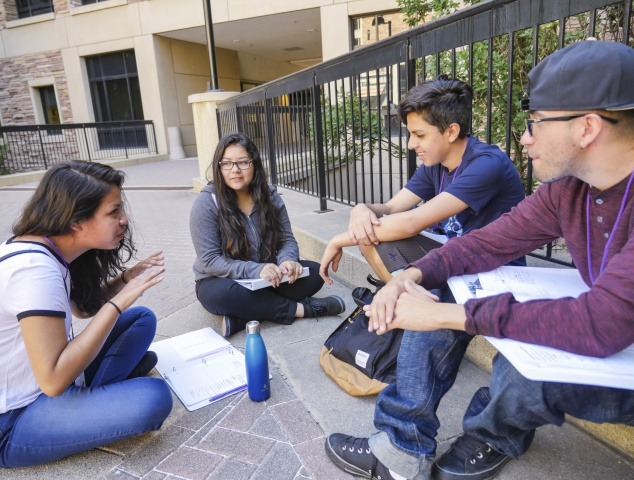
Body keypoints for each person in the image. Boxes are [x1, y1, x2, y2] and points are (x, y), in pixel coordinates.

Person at [325, 39, 634, 480]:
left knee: (522, 370)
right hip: (616, 330)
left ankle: (493, 434)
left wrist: (450, 316)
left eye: (534, 123)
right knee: (435, 292)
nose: (524, 137)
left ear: (586, 127)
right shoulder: (569, 189)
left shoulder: (490, 163)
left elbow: (602, 324)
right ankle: (399, 445)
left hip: (621, 343)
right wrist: (409, 276)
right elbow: (486, 242)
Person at [0, 160, 173, 468]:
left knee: (141, 319)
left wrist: (125, 280)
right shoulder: (34, 272)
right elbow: (53, 380)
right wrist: (119, 301)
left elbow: (81, 308)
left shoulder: (50, 250)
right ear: (75, 221)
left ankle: (97, 398)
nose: (124, 221)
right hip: (15, 418)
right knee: (154, 397)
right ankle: (104, 396)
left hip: (48, 384)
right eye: (113, 212)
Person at [319, 75, 526, 287]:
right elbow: (391, 207)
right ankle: (410, 301)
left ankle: (419, 307)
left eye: (419, 135)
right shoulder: (436, 163)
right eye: (410, 134)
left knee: (373, 237)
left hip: (494, 268)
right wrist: (361, 209)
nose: (411, 144)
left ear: (451, 131)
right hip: (455, 253)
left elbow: (411, 223)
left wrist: (339, 240)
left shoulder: (487, 164)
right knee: (370, 240)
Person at [190, 132, 345, 338]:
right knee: (224, 296)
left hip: (269, 277)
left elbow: (287, 238)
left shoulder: (269, 196)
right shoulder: (207, 203)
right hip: (221, 280)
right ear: (219, 167)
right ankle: (303, 310)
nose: (235, 170)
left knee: (315, 273)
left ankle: (241, 317)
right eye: (227, 163)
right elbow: (210, 261)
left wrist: (287, 260)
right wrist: (257, 270)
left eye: (243, 162)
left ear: (254, 163)